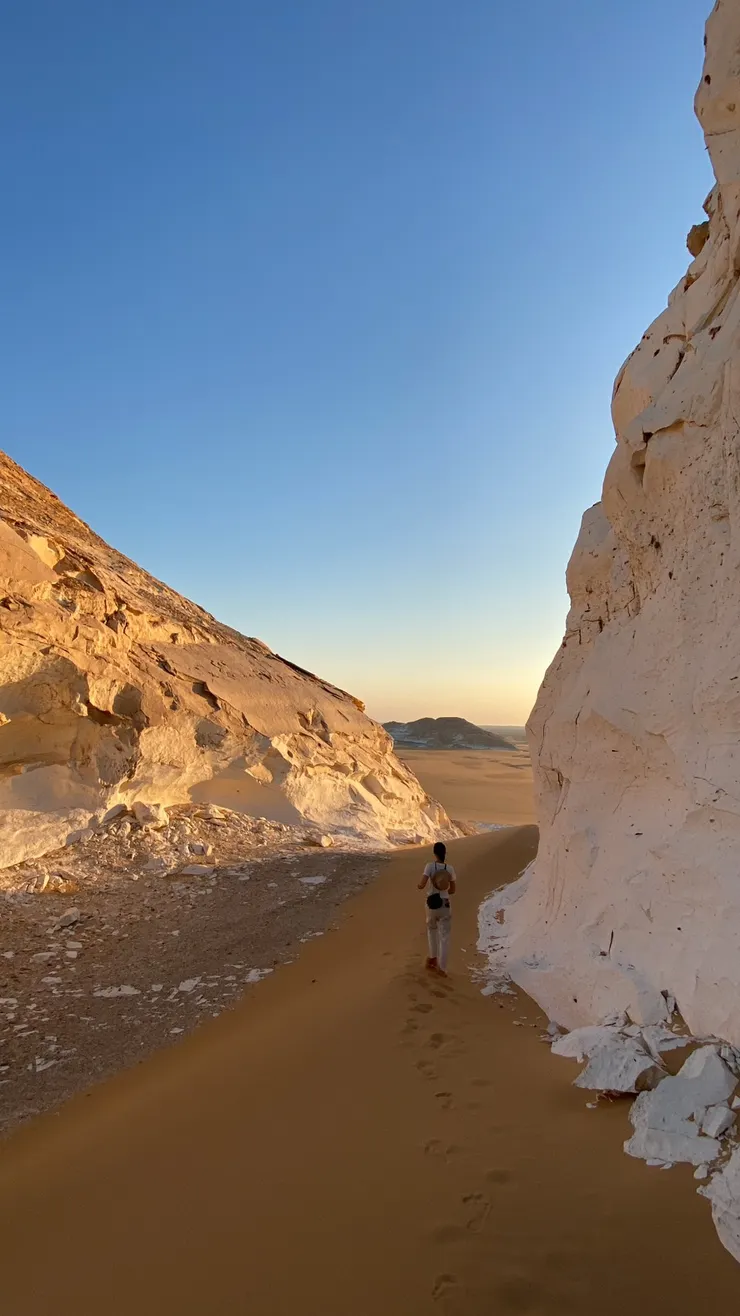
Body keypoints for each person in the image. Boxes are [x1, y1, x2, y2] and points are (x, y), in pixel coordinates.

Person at [418, 841, 456, 976]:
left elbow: (422, 884)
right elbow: (453, 890)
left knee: (431, 931)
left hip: (431, 904)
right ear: (445, 853)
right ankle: (443, 968)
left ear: (435, 853)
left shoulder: (429, 866)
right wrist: (444, 891)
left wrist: (420, 885)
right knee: (445, 937)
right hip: (445, 904)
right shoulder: (450, 869)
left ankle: (432, 958)